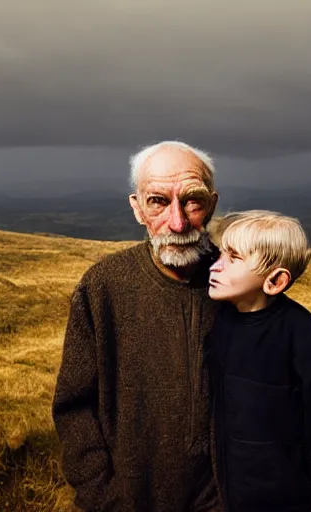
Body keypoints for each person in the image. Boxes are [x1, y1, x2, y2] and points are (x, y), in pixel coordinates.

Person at [52, 141, 222, 511]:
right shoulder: (102, 286)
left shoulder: (241, 283)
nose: (177, 223)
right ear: (137, 208)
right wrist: (105, 498)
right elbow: (74, 409)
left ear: (212, 204)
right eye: (158, 202)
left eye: (192, 201)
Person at [205, 210, 311, 512]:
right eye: (220, 254)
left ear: (274, 281)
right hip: (229, 489)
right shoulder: (220, 323)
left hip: (286, 496)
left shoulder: (303, 335)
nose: (215, 267)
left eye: (233, 258)